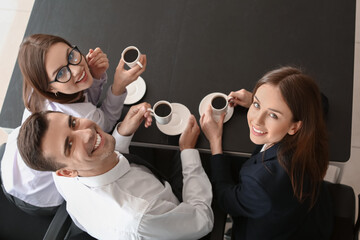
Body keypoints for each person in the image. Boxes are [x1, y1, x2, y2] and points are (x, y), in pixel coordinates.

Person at [16, 102, 214, 239]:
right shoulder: (142, 214)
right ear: (66, 172)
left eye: (73, 123)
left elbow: (98, 162)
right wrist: (188, 151)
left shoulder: (62, 175)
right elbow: (203, 220)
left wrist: (123, 132)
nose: (87, 133)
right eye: (70, 144)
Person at [1, 34, 147, 215]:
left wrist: (95, 76)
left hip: (9, 165)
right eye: (61, 73)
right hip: (35, 197)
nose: (77, 69)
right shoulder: (77, 116)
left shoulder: (38, 88)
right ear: (50, 89)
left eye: (71, 56)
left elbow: (87, 105)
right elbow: (105, 123)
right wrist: (118, 87)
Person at [200, 66, 333, 239]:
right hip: (311, 213)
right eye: (257, 105)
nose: (256, 120)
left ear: (295, 126)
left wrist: (214, 141)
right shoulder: (309, 128)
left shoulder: (261, 180)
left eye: (273, 116)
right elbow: (321, 101)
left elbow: (226, 200)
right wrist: (261, 102)